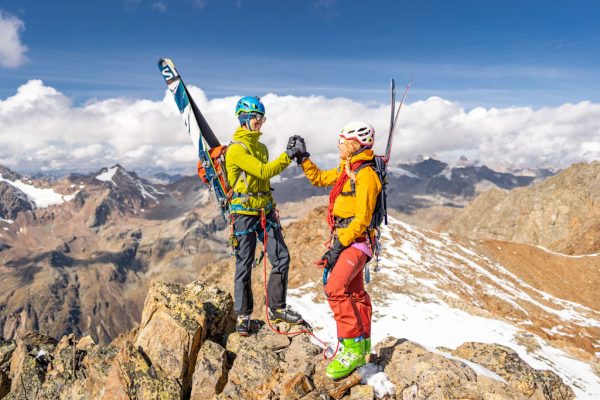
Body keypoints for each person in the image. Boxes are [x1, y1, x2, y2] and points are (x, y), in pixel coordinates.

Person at [295, 121, 381, 380]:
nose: (338, 144)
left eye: (342, 141)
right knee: (354, 292)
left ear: (355, 144)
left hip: (356, 241)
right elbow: (320, 178)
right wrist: (303, 159)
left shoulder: (365, 175)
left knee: (334, 288)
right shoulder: (349, 168)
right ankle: (362, 343)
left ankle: (352, 346)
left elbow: (362, 219)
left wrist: (338, 245)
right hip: (346, 239)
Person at [225, 96, 307, 336]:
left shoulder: (260, 147)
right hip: (243, 214)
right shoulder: (236, 151)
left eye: (262, 118)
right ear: (244, 119)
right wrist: (288, 155)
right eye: (257, 118)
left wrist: (288, 155)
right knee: (244, 265)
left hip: (265, 211)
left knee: (281, 256)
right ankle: (243, 315)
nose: (260, 122)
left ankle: (277, 308)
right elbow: (263, 170)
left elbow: (263, 178)